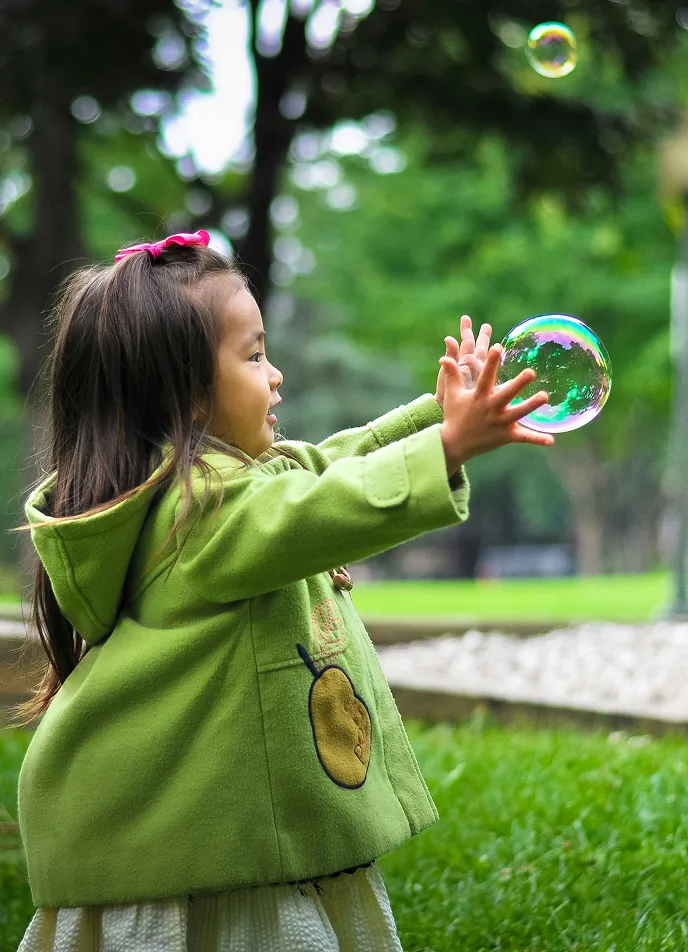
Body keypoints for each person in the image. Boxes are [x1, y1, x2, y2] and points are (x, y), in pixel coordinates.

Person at [9, 229, 553, 952]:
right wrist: (447, 448)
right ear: (188, 394)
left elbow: (328, 464)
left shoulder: (216, 489)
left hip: (225, 840)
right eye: (255, 354)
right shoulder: (198, 514)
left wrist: (434, 415)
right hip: (205, 865)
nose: (277, 376)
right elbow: (322, 505)